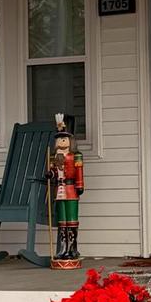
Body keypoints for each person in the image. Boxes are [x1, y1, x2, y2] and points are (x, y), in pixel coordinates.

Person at [47, 115, 84, 269]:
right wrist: (50, 174)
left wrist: (80, 185)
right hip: (59, 190)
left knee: (71, 219)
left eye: (64, 139)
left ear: (70, 141)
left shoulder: (75, 156)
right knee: (62, 221)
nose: (61, 142)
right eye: (58, 139)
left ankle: (72, 249)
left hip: (71, 190)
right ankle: (63, 249)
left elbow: (79, 171)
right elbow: (55, 173)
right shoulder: (54, 157)